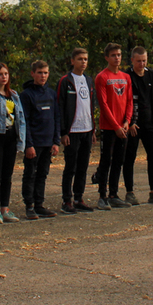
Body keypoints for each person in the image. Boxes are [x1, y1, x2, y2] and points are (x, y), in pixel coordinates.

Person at [122, 47, 153, 205]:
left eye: (144, 60)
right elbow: (125, 101)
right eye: (138, 61)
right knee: (130, 157)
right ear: (132, 61)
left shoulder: (152, 75)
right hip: (134, 125)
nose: (141, 64)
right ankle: (130, 192)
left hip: (150, 124)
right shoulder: (126, 76)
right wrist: (130, 122)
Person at [0, 63, 26, 224]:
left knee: (7, 175)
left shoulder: (14, 95)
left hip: (11, 138)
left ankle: (5, 208)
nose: (4, 77)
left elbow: (21, 119)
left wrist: (21, 142)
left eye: (6, 74)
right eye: (1, 74)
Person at [19, 60, 61, 220]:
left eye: (45, 73)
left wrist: (56, 141)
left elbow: (56, 117)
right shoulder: (27, 95)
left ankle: (39, 204)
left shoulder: (51, 94)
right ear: (33, 74)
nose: (43, 76)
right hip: (34, 143)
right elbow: (25, 122)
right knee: (30, 174)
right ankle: (29, 206)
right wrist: (28, 144)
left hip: (48, 142)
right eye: (39, 73)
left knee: (43, 174)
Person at [56, 48, 95, 215]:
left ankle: (79, 198)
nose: (83, 62)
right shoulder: (66, 81)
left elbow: (91, 106)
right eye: (80, 59)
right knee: (70, 167)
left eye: (85, 59)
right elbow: (61, 107)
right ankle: (67, 200)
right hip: (72, 131)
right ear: (72, 61)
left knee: (83, 166)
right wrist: (63, 132)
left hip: (87, 129)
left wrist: (93, 129)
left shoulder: (88, 80)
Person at [94, 43, 133, 210]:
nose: (117, 58)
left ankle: (113, 194)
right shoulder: (102, 77)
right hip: (109, 128)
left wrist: (126, 122)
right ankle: (102, 196)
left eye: (119, 55)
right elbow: (103, 104)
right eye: (113, 55)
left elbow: (130, 101)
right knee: (106, 161)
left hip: (122, 128)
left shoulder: (126, 77)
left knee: (119, 161)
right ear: (106, 57)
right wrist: (116, 126)